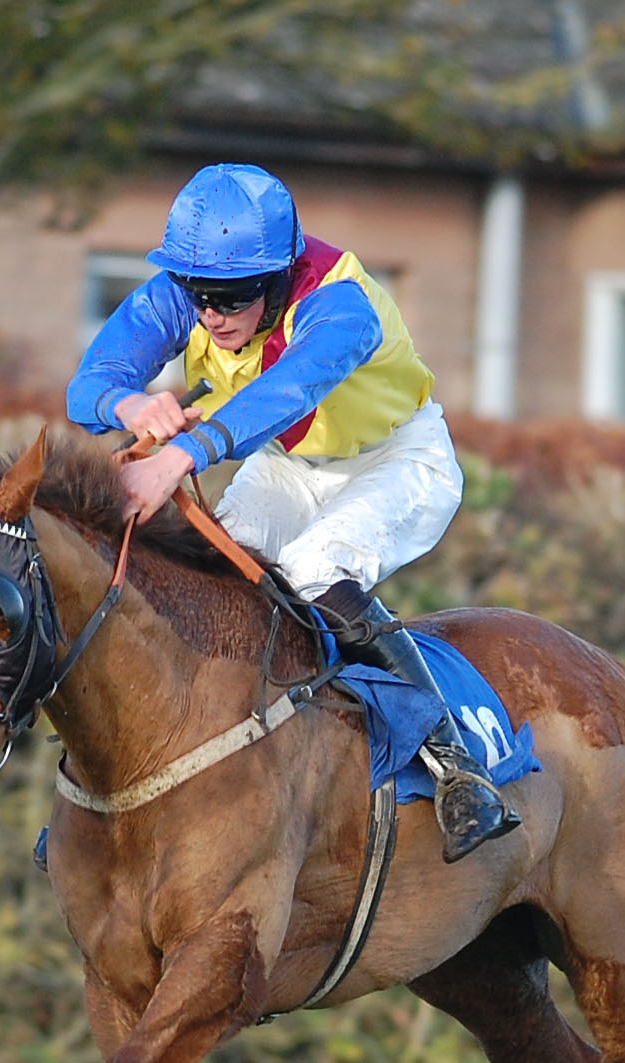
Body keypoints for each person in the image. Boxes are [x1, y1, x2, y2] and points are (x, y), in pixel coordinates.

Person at [66, 161, 518, 864]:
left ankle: (456, 767)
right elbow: (90, 381)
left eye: (231, 297)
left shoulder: (343, 306)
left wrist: (181, 454)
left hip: (399, 461)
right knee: (207, 584)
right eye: (197, 294)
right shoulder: (187, 294)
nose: (210, 315)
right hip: (291, 466)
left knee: (312, 568)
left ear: (278, 278)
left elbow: (284, 395)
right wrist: (130, 404)